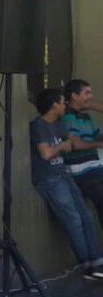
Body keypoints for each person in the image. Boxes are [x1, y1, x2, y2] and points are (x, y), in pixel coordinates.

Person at [29, 88, 103, 279]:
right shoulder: (39, 125)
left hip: (64, 174)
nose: (65, 106)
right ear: (54, 105)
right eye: (63, 103)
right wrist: (62, 146)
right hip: (49, 178)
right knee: (74, 220)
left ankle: (98, 262)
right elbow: (46, 153)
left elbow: (73, 141)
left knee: (86, 217)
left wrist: (73, 141)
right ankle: (87, 265)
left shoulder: (57, 125)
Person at [60, 79, 103, 225]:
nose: (90, 96)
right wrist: (99, 144)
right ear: (74, 96)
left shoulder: (86, 116)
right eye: (87, 93)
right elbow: (75, 144)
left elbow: (97, 136)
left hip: (95, 169)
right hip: (81, 172)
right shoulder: (67, 116)